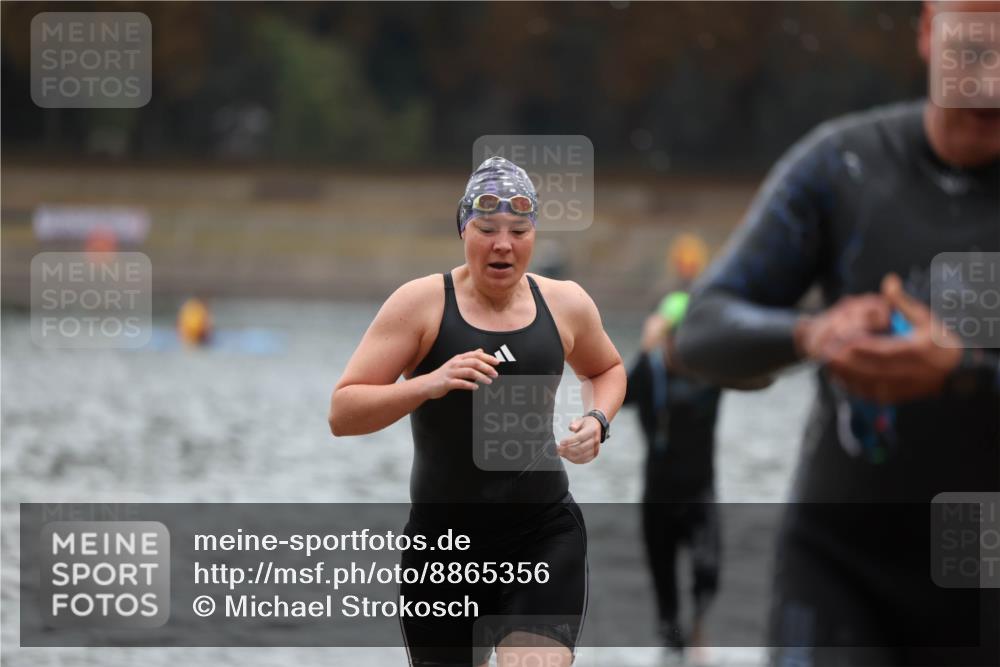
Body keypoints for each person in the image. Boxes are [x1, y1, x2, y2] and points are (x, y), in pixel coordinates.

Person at [675, 3, 999, 666]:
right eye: (973, 48)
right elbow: (703, 328)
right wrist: (812, 332)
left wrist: (962, 367)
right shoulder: (843, 165)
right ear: (928, 32)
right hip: (842, 573)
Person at [329, 156, 626, 667]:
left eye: (519, 229)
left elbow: (607, 369)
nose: (503, 244)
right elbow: (343, 411)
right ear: (463, 230)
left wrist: (597, 421)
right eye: (487, 228)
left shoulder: (566, 303)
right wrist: (428, 383)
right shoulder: (421, 304)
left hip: (542, 537)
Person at [624, 290, 722, 663]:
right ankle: (673, 642)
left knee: (707, 570)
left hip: (700, 494)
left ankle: (699, 627)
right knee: (665, 593)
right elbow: (619, 396)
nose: (681, 343)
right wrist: (642, 349)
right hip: (657, 498)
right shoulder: (650, 370)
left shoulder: (711, 372)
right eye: (674, 333)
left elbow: (755, 371)